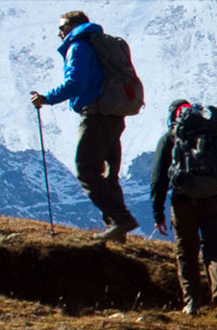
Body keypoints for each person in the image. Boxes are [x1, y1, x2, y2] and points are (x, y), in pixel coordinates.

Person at [29, 10, 138, 242]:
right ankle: (117, 231)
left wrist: (46, 98)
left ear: (72, 26)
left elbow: (75, 83)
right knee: (109, 174)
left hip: (96, 114)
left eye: (61, 28)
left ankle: (120, 219)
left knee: (86, 169)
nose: (59, 33)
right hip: (115, 115)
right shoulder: (102, 43)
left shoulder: (78, 46)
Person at [150, 100, 217, 322]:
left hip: (183, 204)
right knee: (216, 252)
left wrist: (158, 213)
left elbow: (158, 178)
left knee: (186, 252)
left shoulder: (170, 138)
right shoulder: (214, 136)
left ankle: (191, 302)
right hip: (215, 202)